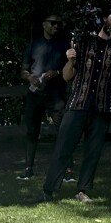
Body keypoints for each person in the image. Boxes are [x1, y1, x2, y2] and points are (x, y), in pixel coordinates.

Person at [41, 8, 111, 202]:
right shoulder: (85, 42)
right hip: (78, 102)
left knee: (93, 151)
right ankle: (49, 190)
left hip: (103, 106)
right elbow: (67, 76)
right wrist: (70, 61)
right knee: (63, 147)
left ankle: (83, 190)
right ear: (105, 19)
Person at [18, 14, 70, 179]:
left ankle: (67, 171)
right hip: (35, 93)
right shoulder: (34, 45)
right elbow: (24, 70)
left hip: (56, 94)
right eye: (53, 23)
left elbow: (72, 69)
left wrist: (57, 72)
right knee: (32, 131)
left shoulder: (64, 45)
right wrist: (30, 77)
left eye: (58, 24)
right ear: (44, 24)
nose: (56, 26)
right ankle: (28, 170)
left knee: (63, 131)